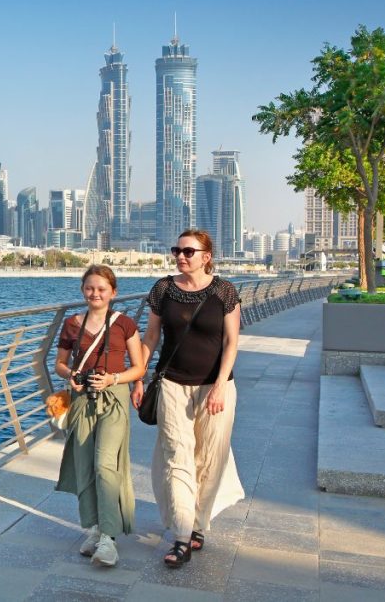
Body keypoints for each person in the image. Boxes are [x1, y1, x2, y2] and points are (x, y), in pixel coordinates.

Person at [140, 229, 245, 569]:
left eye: (188, 251)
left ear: (206, 256)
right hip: (172, 384)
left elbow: (231, 342)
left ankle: (200, 523)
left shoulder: (224, 291)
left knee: (210, 458)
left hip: (216, 387)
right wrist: (139, 376)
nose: (181, 256)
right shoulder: (163, 288)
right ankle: (183, 535)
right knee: (177, 456)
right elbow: (151, 335)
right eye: (177, 250)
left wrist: (218, 385)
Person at [55, 264, 146, 567]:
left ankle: (109, 538)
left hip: (114, 399)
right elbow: (59, 363)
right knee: (84, 464)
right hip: (83, 400)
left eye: (101, 289)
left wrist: (113, 379)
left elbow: (139, 368)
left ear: (113, 292)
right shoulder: (71, 324)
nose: (95, 294)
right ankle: (94, 528)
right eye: (90, 288)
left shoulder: (125, 324)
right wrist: (71, 375)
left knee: (105, 464)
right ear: (83, 290)